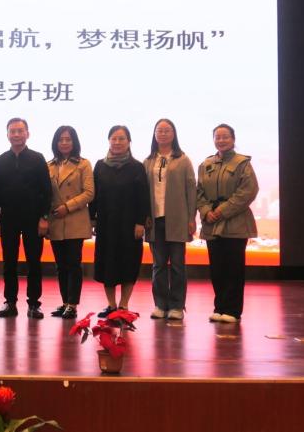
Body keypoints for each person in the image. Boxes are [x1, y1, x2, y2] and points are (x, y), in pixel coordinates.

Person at [197, 123, 259, 324]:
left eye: (225, 136)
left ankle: (232, 310)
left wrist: (222, 211)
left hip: (236, 223)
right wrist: (206, 211)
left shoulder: (243, 163)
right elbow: (198, 192)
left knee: (234, 269)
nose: (221, 140)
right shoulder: (205, 164)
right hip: (211, 224)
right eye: (217, 137)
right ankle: (219, 307)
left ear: (233, 139)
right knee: (217, 269)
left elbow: (248, 191)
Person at [0, 118, 51, 319]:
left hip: (33, 219)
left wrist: (44, 217)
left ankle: (34, 304)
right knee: (9, 262)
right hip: (8, 219)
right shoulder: (0, 160)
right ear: (7, 134)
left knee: (34, 262)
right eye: (12, 131)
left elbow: (46, 191)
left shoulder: (37, 158)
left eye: (20, 131)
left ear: (27, 134)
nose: (16, 134)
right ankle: (10, 302)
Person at [90, 125, 150, 318]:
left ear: (129, 142)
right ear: (109, 141)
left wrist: (140, 222)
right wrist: (92, 219)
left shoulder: (137, 167)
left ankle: (124, 305)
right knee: (106, 263)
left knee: (128, 263)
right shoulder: (100, 165)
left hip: (129, 225)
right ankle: (111, 305)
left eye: (121, 139)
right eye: (114, 138)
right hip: (106, 223)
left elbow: (143, 197)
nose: (117, 142)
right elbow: (94, 195)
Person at [143, 119, 197, 321]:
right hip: (154, 220)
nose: (163, 134)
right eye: (160, 130)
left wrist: (191, 218)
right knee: (158, 265)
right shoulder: (148, 161)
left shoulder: (183, 160)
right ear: (154, 134)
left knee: (177, 265)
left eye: (167, 130)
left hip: (177, 219)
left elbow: (191, 190)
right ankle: (160, 304)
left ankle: (176, 306)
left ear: (174, 134)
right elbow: (143, 193)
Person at [46, 126, 93, 320]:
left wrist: (68, 206)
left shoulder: (83, 164)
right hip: (55, 221)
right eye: (61, 139)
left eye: (68, 139)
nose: (64, 143)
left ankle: (73, 304)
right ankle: (65, 302)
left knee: (73, 264)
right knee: (60, 265)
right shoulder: (49, 165)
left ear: (74, 142)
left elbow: (89, 193)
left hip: (75, 220)